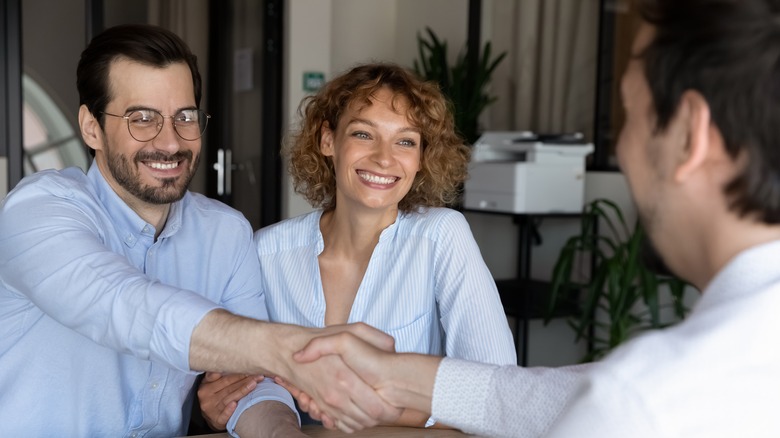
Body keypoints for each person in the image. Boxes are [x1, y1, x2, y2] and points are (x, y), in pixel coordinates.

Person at [279, 0, 780, 436]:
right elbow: (534, 396)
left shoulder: (639, 403)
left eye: (628, 115)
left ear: (690, 135)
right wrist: (388, 378)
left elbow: (596, 398)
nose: (622, 148)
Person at [0, 24, 401, 437]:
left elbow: (249, 386)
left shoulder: (224, 232)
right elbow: (122, 305)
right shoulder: (38, 210)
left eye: (185, 117)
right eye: (142, 119)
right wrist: (288, 349)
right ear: (91, 127)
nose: (171, 143)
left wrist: (283, 431)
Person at [198, 63, 517, 431]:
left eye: (406, 141)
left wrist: (384, 411)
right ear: (328, 140)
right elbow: (237, 389)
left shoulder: (441, 236)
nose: (385, 157)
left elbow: (496, 392)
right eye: (364, 134)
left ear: (420, 158)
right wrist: (218, 407)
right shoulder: (267, 252)